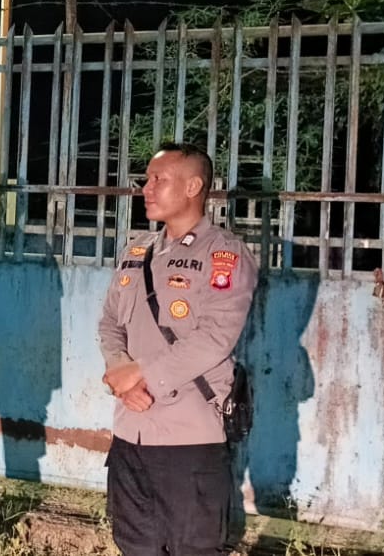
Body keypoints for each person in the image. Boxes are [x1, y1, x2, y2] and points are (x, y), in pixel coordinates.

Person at [98, 142, 259, 556]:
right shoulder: (136, 251)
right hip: (129, 435)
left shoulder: (223, 254)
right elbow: (111, 322)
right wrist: (120, 372)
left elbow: (215, 337)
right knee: (134, 546)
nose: (146, 188)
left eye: (159, 179)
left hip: (189, 442)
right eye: (147, 179)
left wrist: (142, 374)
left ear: (193, 187)